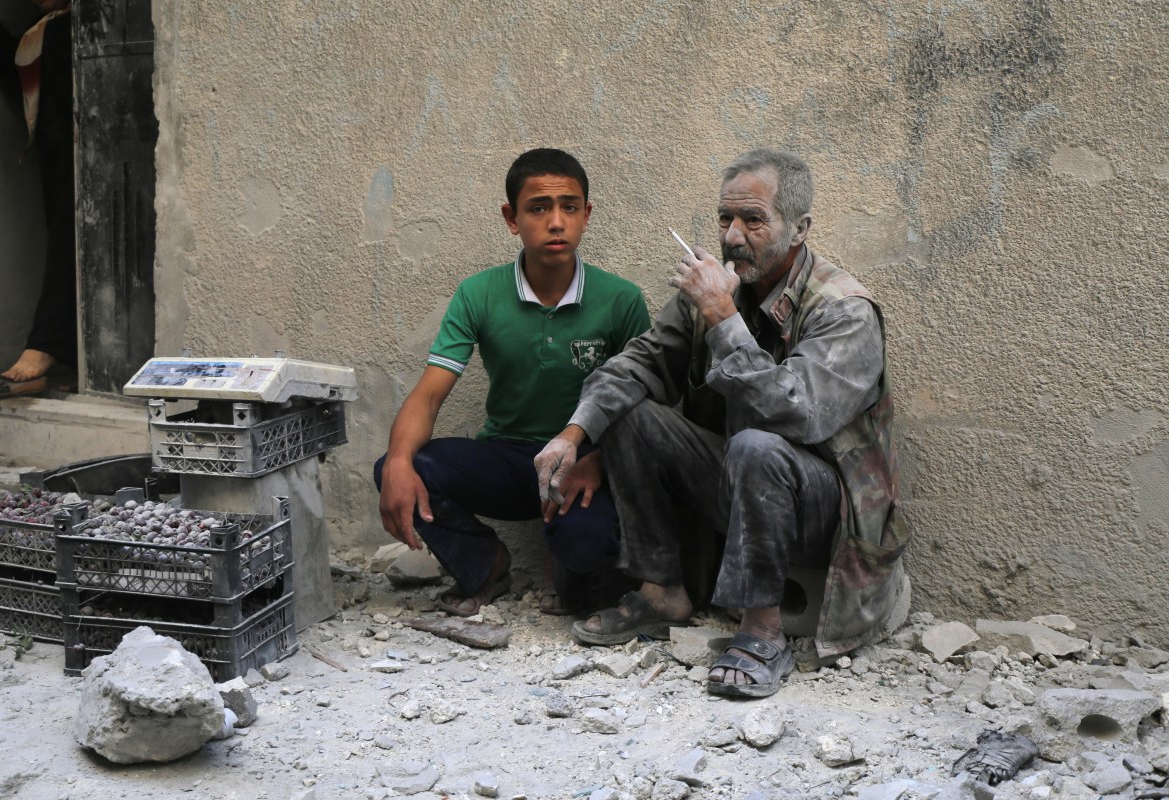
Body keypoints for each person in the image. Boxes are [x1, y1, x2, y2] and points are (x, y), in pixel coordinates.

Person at [534, 148, 909, 697]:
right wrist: (575, 434)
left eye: (753, 220)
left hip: (827, 512)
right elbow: (639, 363)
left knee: (758, 444)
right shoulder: (717, 291)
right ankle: (662, 590)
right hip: (741, 485)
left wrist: (723, 319)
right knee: (632, 413)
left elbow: (797, 414)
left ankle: (762, 631)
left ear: (799, 229)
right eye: (725, 219)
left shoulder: (842, 309)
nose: (733, 236)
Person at [374, 148, 650, 617]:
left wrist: (601, 461)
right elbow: (430, 393)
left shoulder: (621, 300)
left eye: (569, 207)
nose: (556, 222)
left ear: (587, 215)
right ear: (512, 218)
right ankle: (487, 565)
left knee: (585, 553)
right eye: (538, 208)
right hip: (507, 459)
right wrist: (400, 460)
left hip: (581, 465)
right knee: (397, 467)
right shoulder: (479, 294)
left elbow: (643, 405)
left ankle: (567, 562)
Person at [0, 0, 76, 399]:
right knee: (66, 250)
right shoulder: (45, 27)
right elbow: (17, 66)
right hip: (58, 158)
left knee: (73, 249)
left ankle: (44, 347)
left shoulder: (91, 24)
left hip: (97, 158)